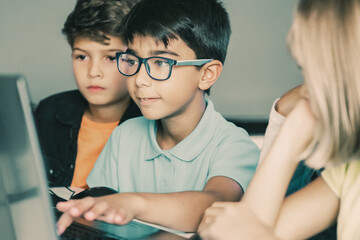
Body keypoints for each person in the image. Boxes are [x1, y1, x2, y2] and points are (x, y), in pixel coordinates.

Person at [56, 0, 260, 234]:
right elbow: (99, 211)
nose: (140, 79)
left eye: (161, 62)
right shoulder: (124, 136)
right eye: (133, 61)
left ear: (206, 74)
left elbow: (215, 203)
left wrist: (134, 203)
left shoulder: (234, 145)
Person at [199, 0, 360, 239]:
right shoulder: (349, 171)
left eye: (315, 72)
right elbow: (245, 229)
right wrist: (293, 127)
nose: (306, 90)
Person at [34, 0, 141, 188]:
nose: (93, 72)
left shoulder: (152, 126)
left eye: (110, 57)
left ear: (136, 60)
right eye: (81, 56)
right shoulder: (48, 112)